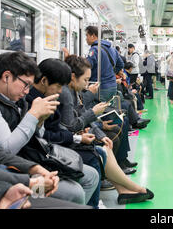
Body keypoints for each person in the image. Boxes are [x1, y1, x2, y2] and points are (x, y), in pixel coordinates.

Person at [0, 52, 91, 205]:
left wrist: (39, 121)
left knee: (90, 174)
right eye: (25, 85)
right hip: (10, 174)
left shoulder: (18, 100)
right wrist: (33, 115)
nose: (27, 91)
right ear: (6, 77)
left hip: (28, 163)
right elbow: (7, 149)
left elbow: (37, 136)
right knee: (75, 191)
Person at [61, 55, 154, 205]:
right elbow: (72, 125)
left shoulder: (74, 91)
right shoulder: (66, 93)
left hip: (78, 132)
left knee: (107, 142)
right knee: (102, 150)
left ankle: (123, 190)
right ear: (73, 77)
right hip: (69, 139)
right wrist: (94, 114)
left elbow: (80, 115)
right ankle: (131, 188)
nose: (87, 84)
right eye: (85, 80)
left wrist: (100, 133)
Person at [85, 25, 124, 102]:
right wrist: (110, 73)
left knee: (95, 110)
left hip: (100, 87)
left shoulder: (94, 50)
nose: (86, 38)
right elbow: (121, 64)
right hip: (112, 86)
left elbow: (87, 67)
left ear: (93, 36)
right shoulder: (112, 49)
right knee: (107, 109)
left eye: (87, 36)